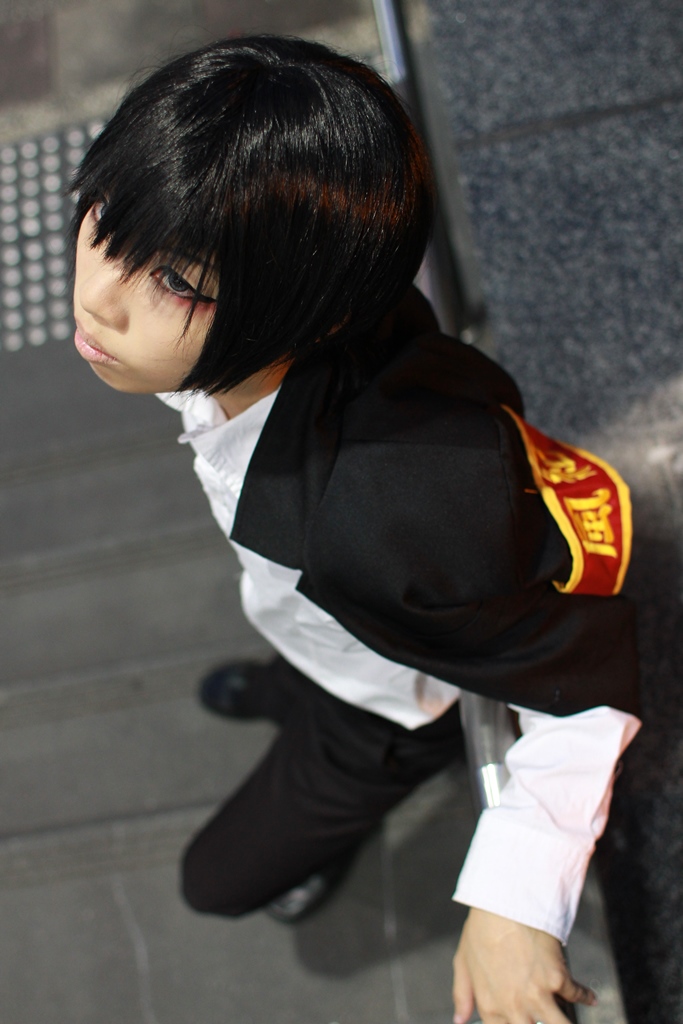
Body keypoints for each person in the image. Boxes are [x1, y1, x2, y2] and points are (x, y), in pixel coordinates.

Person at [69, 35, 640, 1024]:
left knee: (214, 882)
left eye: (179, 283)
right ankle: (287, 688)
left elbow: (587, 682)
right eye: (108, 217)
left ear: (311, 311)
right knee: (285, 643)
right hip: (321, 620)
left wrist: (513, 898)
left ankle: (312, 824)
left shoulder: (388, 516)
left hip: (385, 706)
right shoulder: (305, 298)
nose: (97, 296)